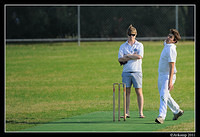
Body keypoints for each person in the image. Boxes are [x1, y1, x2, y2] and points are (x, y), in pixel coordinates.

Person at [155, 29, 184, 124]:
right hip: (161, 75)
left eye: (170, 37)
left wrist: (170, 81)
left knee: (163, 95)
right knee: (165, 95)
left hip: (168, 76)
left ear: (174, 41)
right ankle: (177, 111)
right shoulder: (167, 44)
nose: (168, 38)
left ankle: (161, 116)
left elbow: (172, 66)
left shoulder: (171, 49)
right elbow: (165, 42)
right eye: (168, 35)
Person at [118, 24, 145, 118]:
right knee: (127, 92)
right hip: (126, 72)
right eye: (130, 34)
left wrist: (127, 56)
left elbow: (139, 56)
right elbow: (120, 59)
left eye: (133, 35)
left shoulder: (140, 45)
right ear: (127, 35)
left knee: (139, 92)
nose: (131, 36)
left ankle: (141, 112)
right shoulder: (123, 46)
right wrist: (132, 56)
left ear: (136, 35)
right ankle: (126, 112)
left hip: (137, 71)